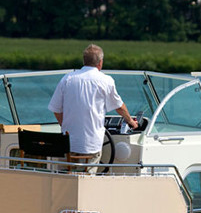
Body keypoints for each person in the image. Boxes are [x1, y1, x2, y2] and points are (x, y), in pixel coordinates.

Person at [48, 44, 137, 176]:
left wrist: (65, 126)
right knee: (88, 178)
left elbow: (56, 109)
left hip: (69, 143)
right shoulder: (106, 81)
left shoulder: (67, 79)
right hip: (92, 145)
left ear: (84, 61)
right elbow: (119, 107)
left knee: (68, 177)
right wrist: (131, 121)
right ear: (100, 63)